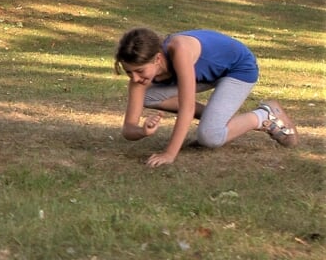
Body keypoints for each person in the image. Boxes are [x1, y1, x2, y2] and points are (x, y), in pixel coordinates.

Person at [113, 27, 298, 167]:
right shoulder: (139, 78)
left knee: (209, 137)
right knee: (148, 95)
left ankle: (263, 115)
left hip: (238, 69)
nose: (135, 78)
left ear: (158, 59)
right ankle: (215, 118)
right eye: (129, 73)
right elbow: (128, 129)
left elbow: (187, 108)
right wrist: (142, 131)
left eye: (139, 71)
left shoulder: (180, 50)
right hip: (208, 73)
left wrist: (169, 154)